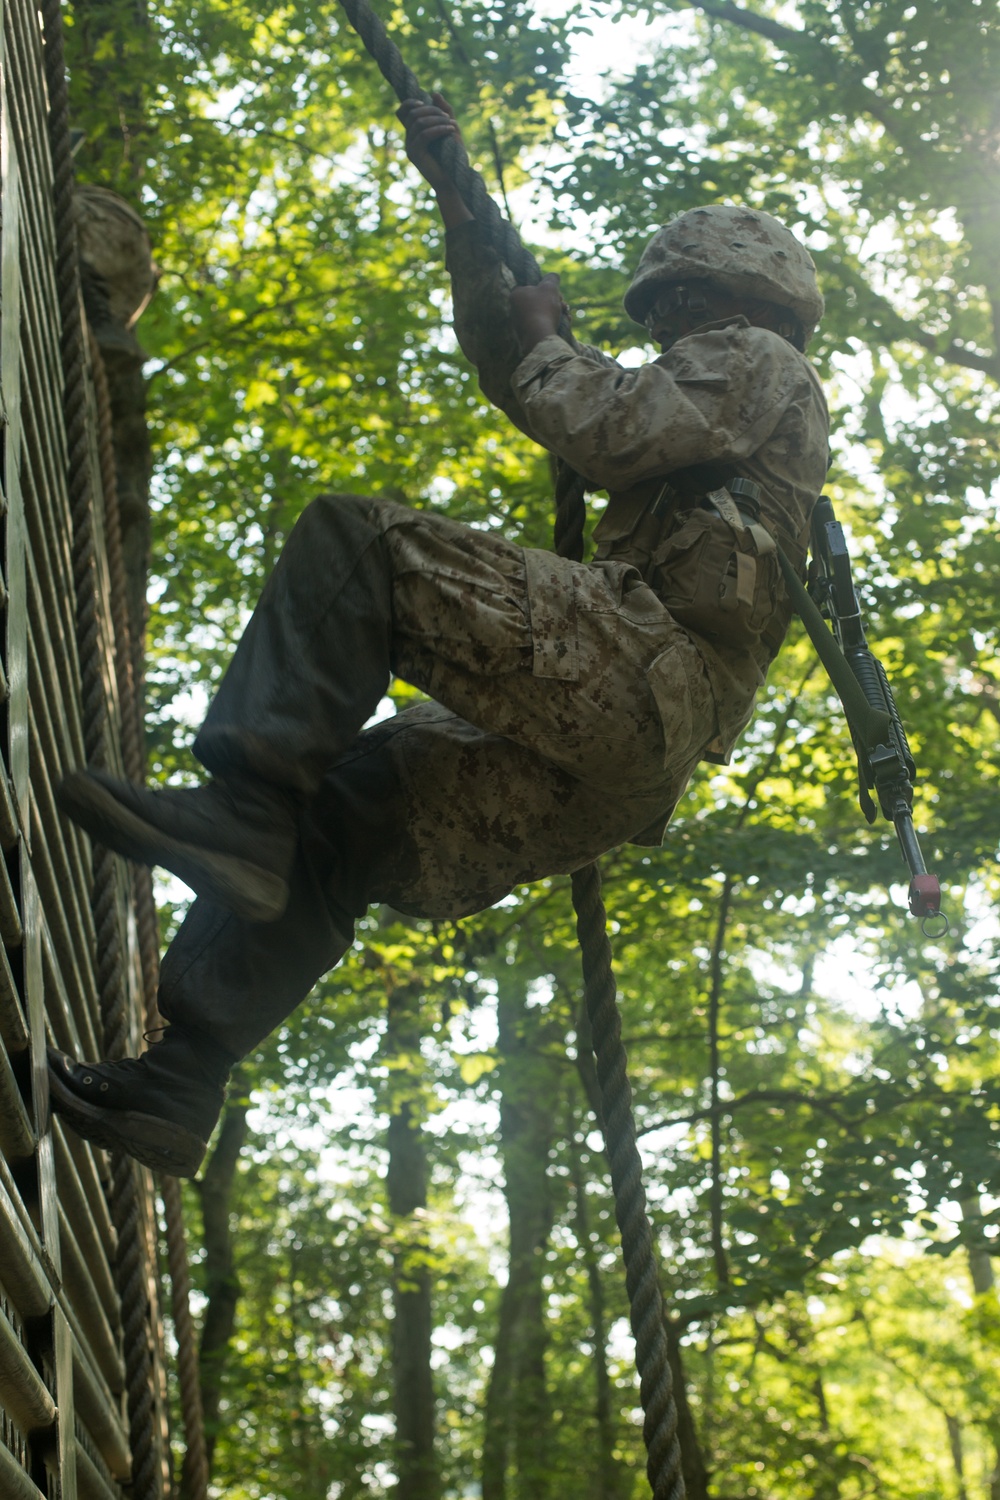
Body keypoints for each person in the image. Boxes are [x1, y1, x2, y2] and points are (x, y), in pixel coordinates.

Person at [48, 98, 829, 1177]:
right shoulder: (717, 400)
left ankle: (243, 802)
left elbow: (597, 422)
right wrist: (462, 207)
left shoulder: (758, 361)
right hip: (625, 763)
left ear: (744, 296)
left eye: (684, 301)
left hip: (650, 678)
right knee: (345, 816)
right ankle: (182, 1080)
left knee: (359, 546)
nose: (672, 324)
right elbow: (522, 375)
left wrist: (554, 341)